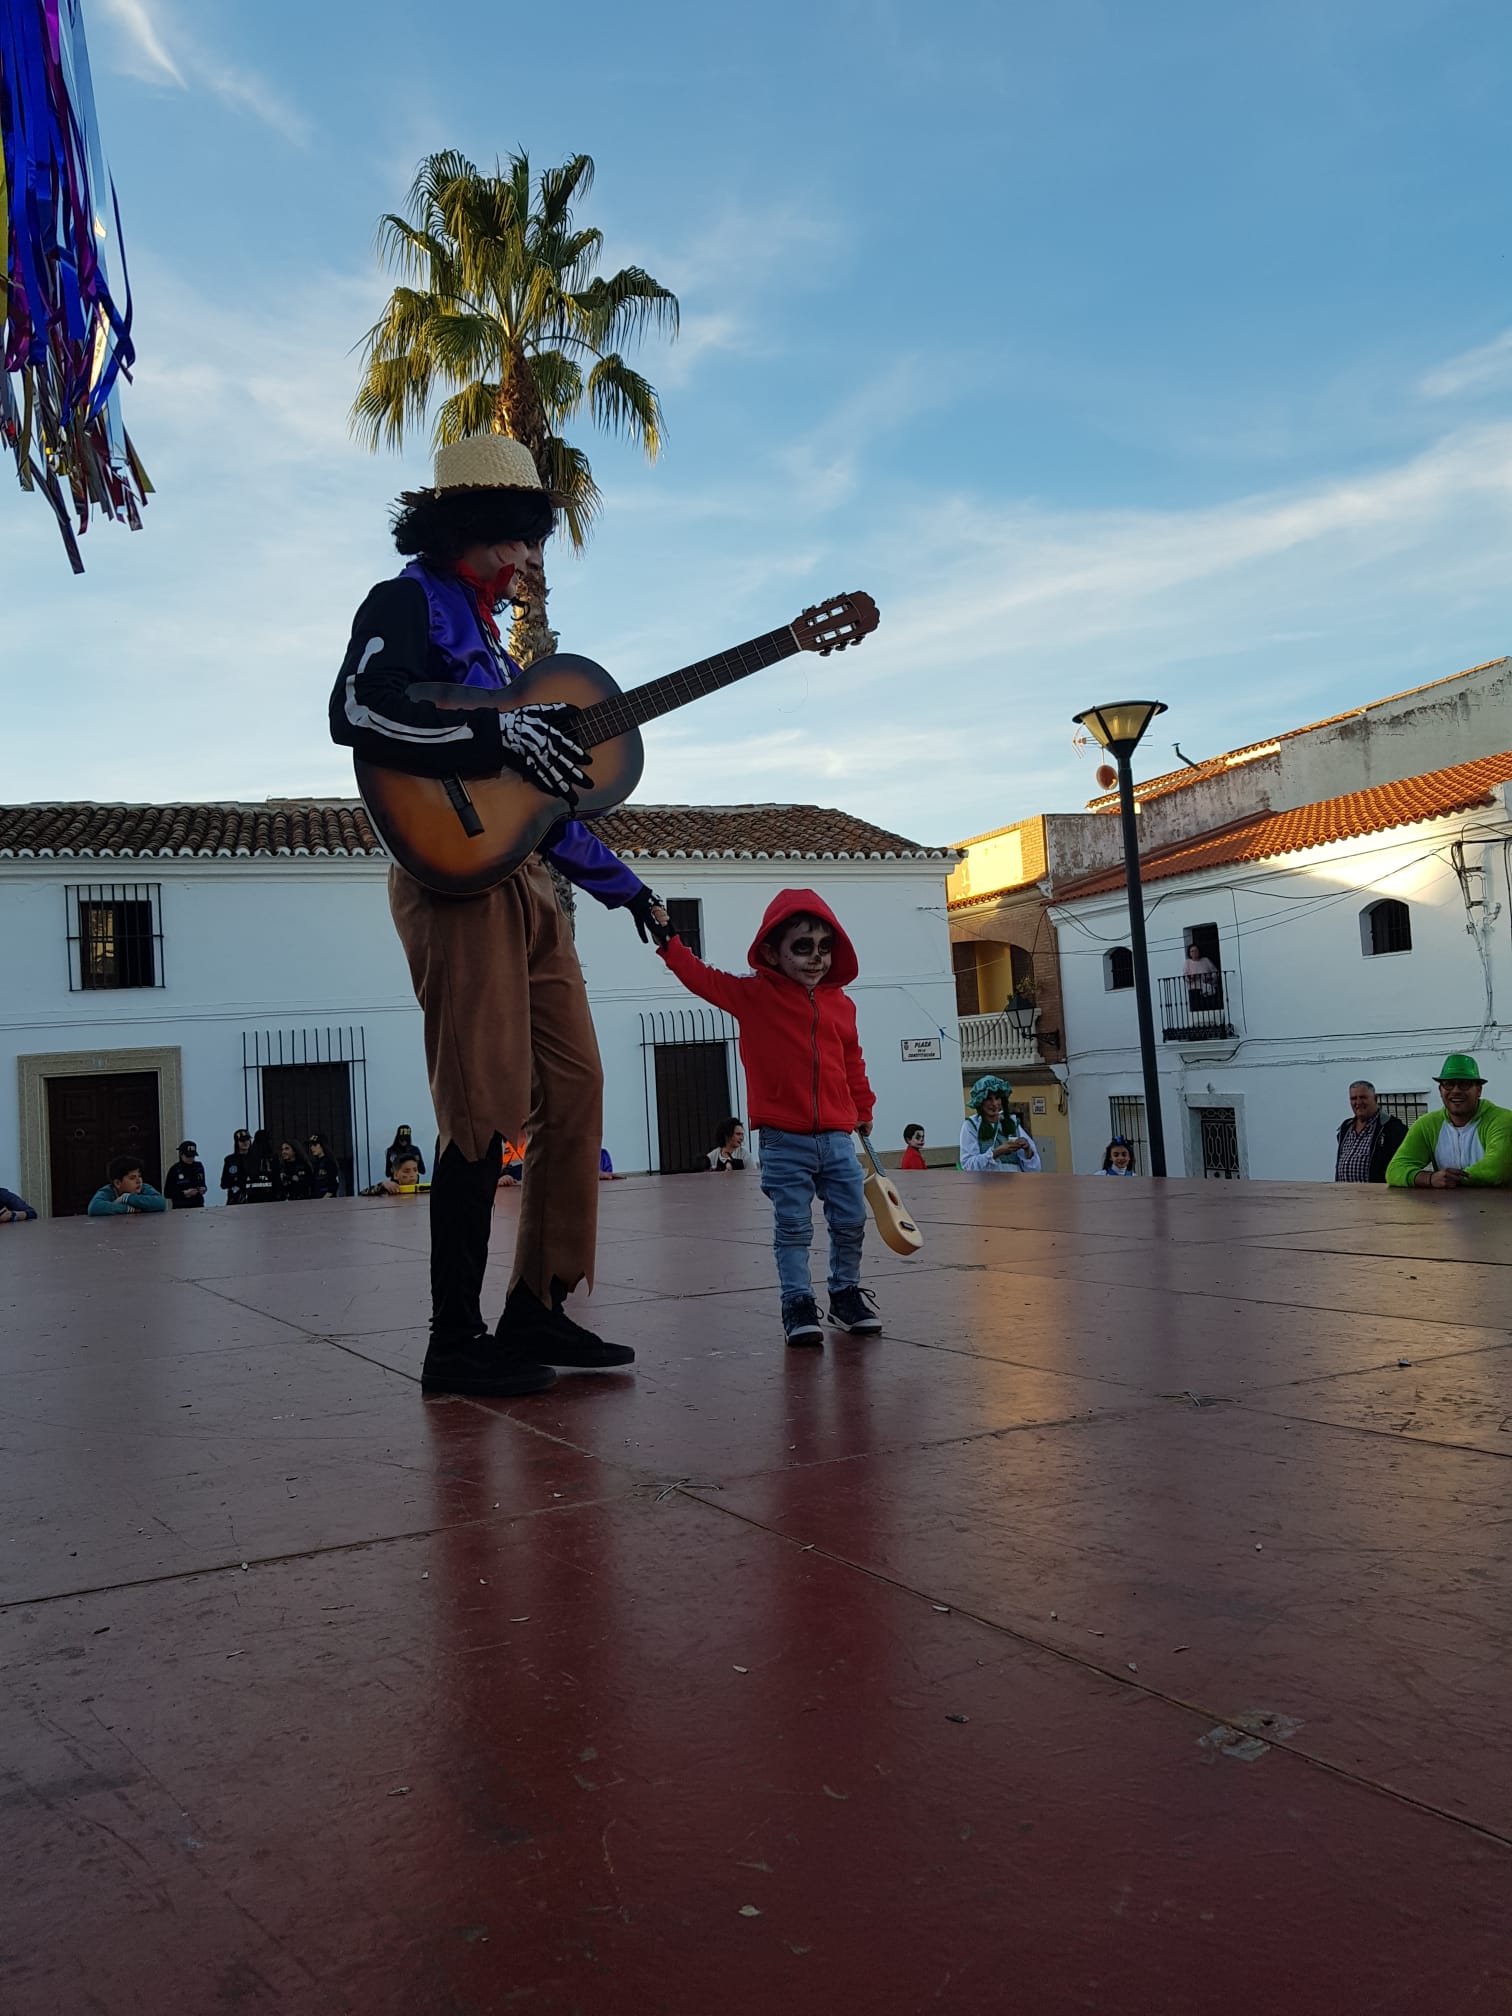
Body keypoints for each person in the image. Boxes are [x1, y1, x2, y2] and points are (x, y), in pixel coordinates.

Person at [330, 435, 661, 1398]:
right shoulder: (403, 603)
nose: (526, 560)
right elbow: (356, 710)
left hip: (525, 885)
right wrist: (493, 730)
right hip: (453, 884)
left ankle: (536, 1308)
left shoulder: (493, 649)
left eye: (533, 541)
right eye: (515, 538)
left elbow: (538, 807)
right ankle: (454, 1341)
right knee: (481, 1106)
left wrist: (628, 890)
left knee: (577, 1084)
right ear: (467, 530)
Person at [652, 890, 881, 1347]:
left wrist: (863, 1107)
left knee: (851, 1219)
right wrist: (668, 940)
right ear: (773, 952)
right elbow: (701, 978)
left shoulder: (841, 1003)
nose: (816, 958)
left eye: (824, 947)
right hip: (783, 1138)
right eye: (803, 947)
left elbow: (851, 1060)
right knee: (793, 1226)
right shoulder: (753, 996)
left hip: (838, 1136)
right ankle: (797, 1303)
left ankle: (845, 1295)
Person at [1387, 1055, 1512, 1189]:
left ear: (1479, 1090)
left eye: (1464, 1084)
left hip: (1498, 1203)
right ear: (1440, 1090)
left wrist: (1449, 1179)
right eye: (1448, 1084)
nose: (1456, 1090)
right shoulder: (1427, 1125)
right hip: (1447, 1203)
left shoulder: (1502, 1120)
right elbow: (1394, 1170)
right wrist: (1429, 1179)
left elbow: (1496, 1169)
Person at [960, 1077, 1042, 1173]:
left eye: (997, 1098)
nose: (994, 1104)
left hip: (1014, 1181)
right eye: (989, 1099)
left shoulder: (1012, 1123)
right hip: (987, 1182)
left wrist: (1027, 1150)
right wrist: (996, 1152)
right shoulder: (971, 1125)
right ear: (980, 1101)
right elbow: (968, 1166)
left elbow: (1034, 1169)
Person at [1334, 1081, 1407, 1184]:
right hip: (1344, 1193)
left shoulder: (1392, 1128)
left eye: (1363, 1097)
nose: (1358, 1102)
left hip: (1377, 1193)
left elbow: (1402, 1165)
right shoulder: (1345, 1128)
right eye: (1353, 1098)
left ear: (1375, 1099)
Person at [87, 1154, 169, 1216]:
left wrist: (127, 1198)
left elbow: (161, 1203)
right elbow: (94, 1208)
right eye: (132, 1178)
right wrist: (128, 1209)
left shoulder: (144, 1188)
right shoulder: (108, 1191)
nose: (138, 1181)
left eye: (139, 1176)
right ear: (117, 1183)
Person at [163, 1140, 207, 1209]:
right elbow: (167, 1193)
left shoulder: (198, 1167)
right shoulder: (175, 1169)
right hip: (181, 1207)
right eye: (188, 1156)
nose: (191, 1158)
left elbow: (202, 1184)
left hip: (198, 1206)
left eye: (193, 1156)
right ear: (181, 1154)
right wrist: (184, 1193)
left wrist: (203, 1189)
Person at [241, 1130, 278, 1205]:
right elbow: (277, 1178)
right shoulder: (272, 1157)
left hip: (252, 1196)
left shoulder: (247, 1157)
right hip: (270, 1196)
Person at [1184, 941, 1219, 1013]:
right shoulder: (1188, 962)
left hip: (1207, 988)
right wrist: (1191, 978)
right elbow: (1185, 976)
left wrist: (1210, 978)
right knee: (1197, 1010)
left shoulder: (1205, 960)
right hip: (1194, 990)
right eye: (1192, 951)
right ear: (1189, 953)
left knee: (1209, 1008)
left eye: (1196, 950)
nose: (1194, 952)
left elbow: (1215, 972)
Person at [221, 1129, 254, 1205]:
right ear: (237, 1142)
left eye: (247, 1140)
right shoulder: (230, 1160)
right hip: (236, 1199)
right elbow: (223, 1184)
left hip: (253, 1198)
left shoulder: (255, 1159)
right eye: (242, 1141)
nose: (245, 1142)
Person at [305, 1134, 342, 1198]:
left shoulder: (329, 1162)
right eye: (311, 1145)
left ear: (322, 1145)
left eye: (315, 1145)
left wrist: (323, 1200)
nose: (312, 1148)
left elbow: (333, 1185)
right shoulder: (315, 1163)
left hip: (327, 1201)